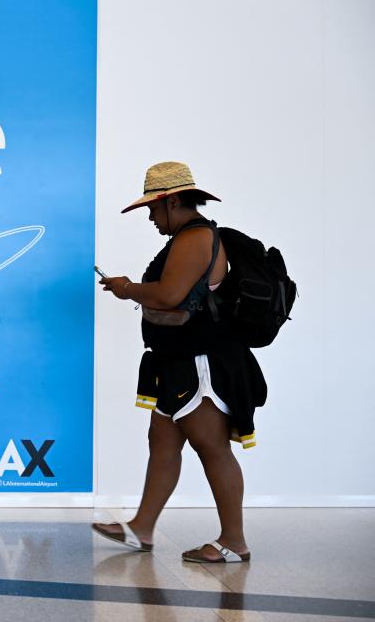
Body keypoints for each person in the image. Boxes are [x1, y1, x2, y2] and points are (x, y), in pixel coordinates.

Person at [93, 161, 266, 564]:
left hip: (201, 364)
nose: (151, 218)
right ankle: (142, 528)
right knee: (163, 441)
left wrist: (126, 289)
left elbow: (170, 295)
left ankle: (234, 542)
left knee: (212, 447)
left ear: (171, 201)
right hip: (178, 362)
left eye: (153, 209)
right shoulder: (190, 237)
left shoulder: (195, 237)